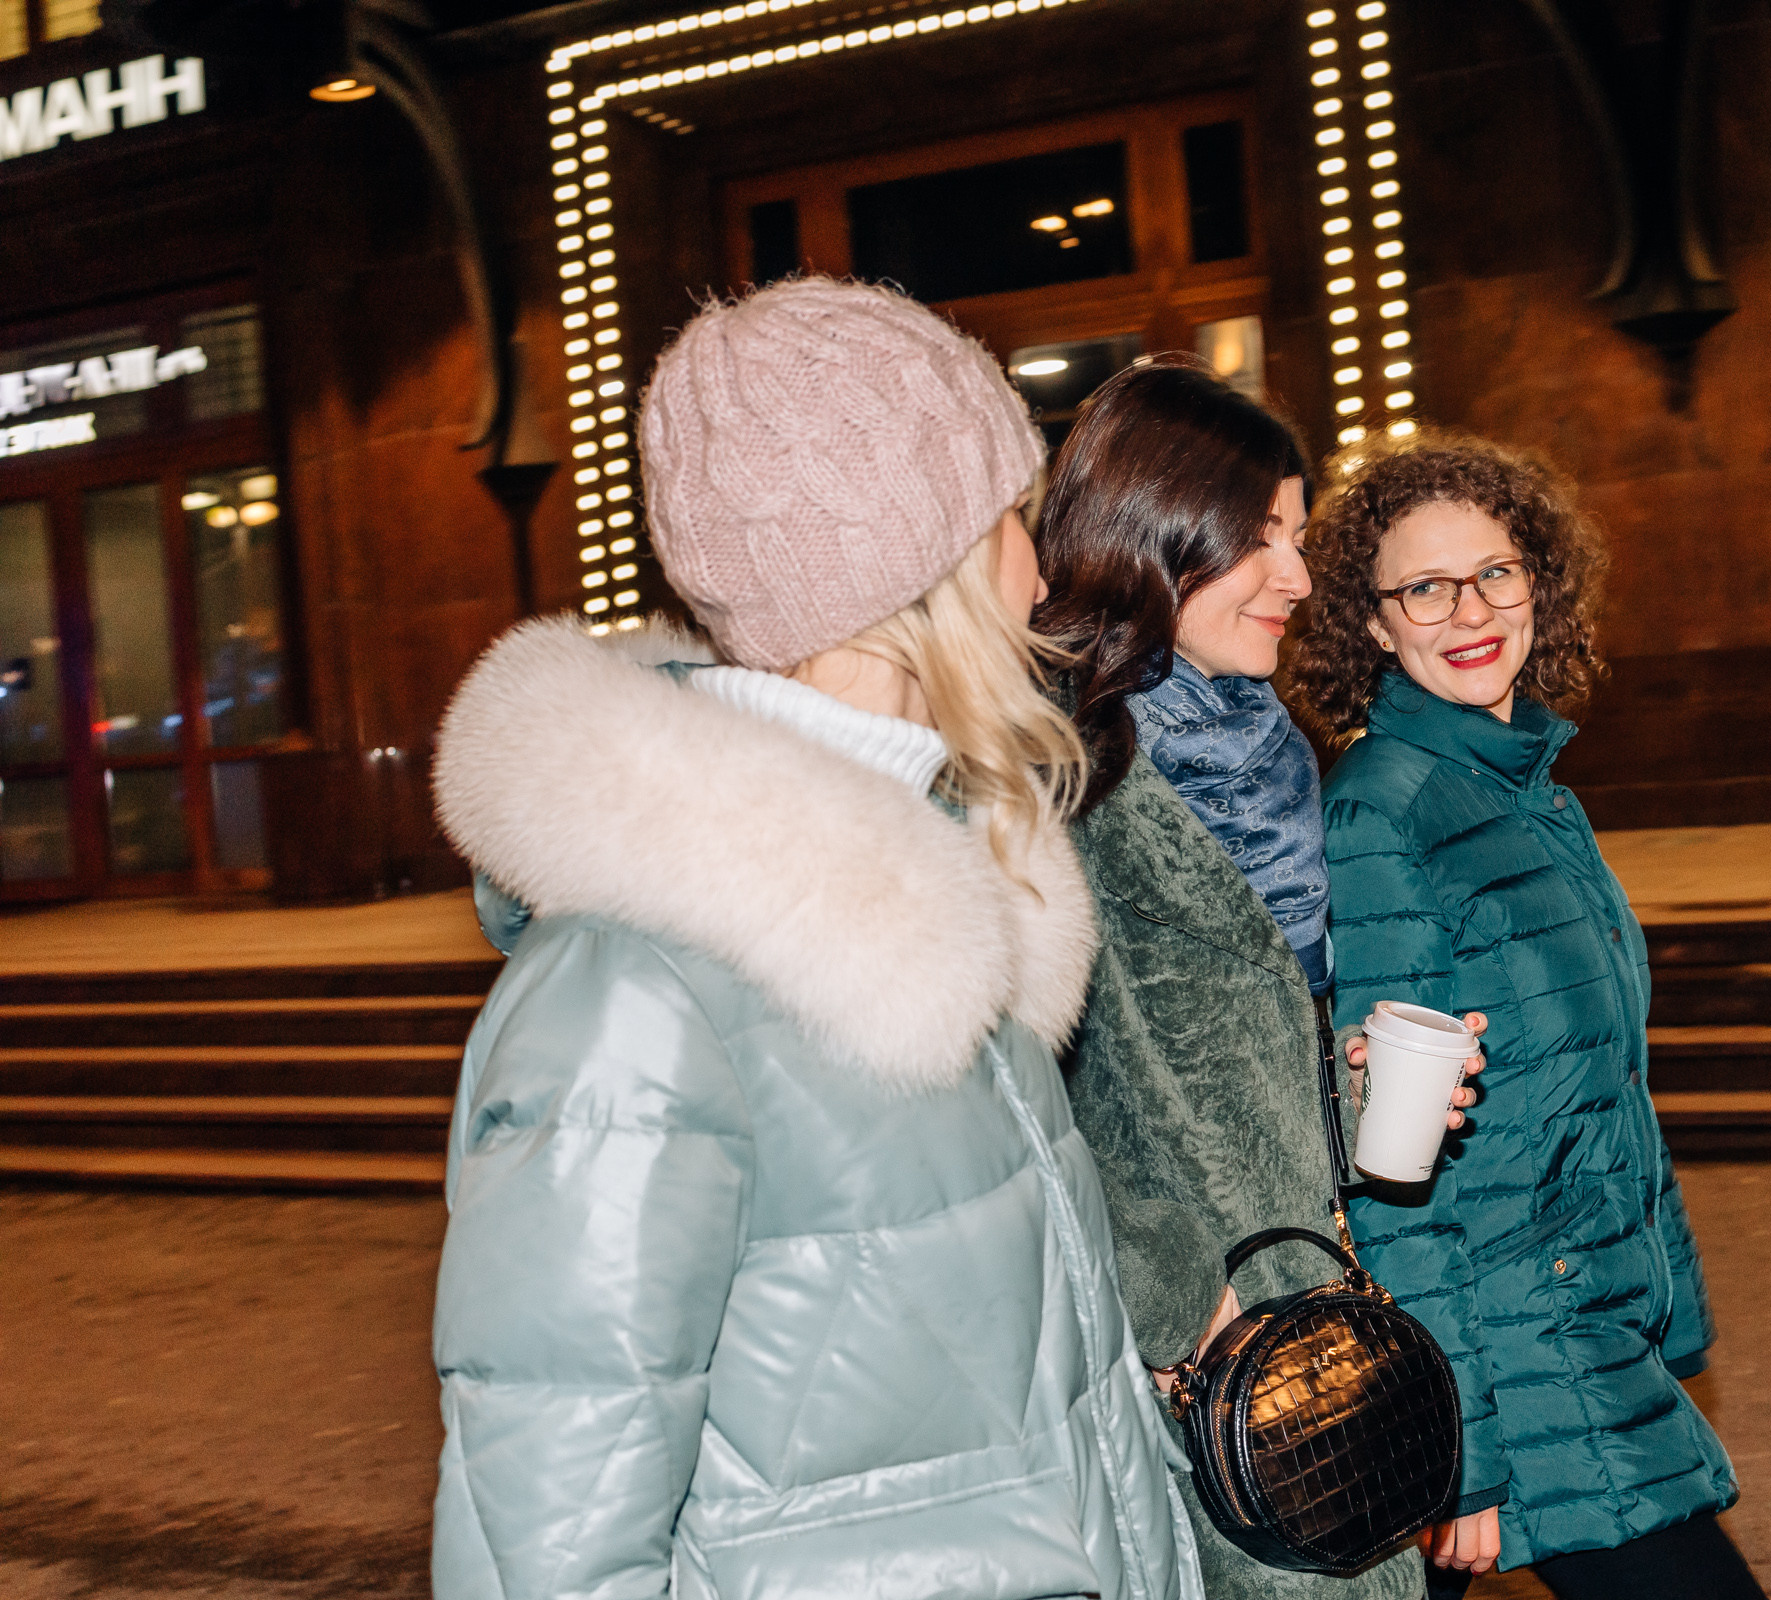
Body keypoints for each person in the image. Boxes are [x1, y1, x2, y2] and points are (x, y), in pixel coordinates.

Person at [426, 280, 1200, 1600]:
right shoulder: (635, 997)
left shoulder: (950, 887)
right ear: (916, 573)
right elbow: (546, 1550)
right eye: (1013, 519)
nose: (1039, 567)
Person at [1291, 432, 1762, 1600]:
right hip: (1519, 1347)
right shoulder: (1384, 815)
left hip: (1584, 1318)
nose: (1470, 610)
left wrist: (1665, 1301)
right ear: (1373, 625)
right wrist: (1457, 1445)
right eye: (1425, 588)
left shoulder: (1530, 795)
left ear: (1538, 585)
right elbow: (1394, 1167)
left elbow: (1607, 1088)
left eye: (1494, 572)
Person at [1034, 354, 1469, 1600]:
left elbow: (1234, 1063)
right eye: (1258, 537)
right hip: (1178, 1378)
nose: (1298, 576)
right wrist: (1175, 1298)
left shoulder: (1268, 761)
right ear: (1152, 534)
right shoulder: (1053, 781)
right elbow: (1012, 1101)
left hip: (1310, 1328)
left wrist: (1357, 1088)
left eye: (1297, 535)